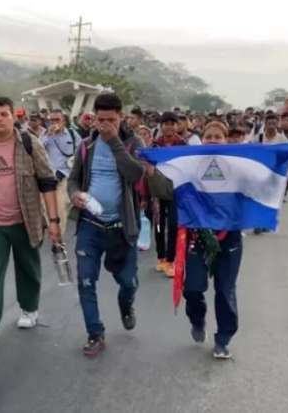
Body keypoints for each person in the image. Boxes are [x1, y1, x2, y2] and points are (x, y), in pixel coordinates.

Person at [0, 97, 61, 353]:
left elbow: (47, 182)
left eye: (3, 114)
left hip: (25, 219)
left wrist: (53, 221)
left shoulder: (30, 144)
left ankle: (29, 308)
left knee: (28, 268)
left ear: (13, 117)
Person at [145, 121, 244, 360]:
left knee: (225, 290)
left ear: (226, 140)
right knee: (192, 288)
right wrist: (151, 172)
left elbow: (260, 186)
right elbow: (167, 191)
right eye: (208, 136)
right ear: (202, 139)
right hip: (196, 237)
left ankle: (223, 340)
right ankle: (197, 320)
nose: (212, 140)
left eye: (217, 137)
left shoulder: (240, 167)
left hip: (229, 237)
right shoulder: (189, 167)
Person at [67, 93, 145, 357]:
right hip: (90, 225)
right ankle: (95, 333)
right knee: (86, 281)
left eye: (111, 120)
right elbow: (73, 180)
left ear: (120, 117)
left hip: (121, 227)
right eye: (101, 120)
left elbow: (136, 174)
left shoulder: (134, 143)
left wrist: (114, 143)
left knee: (128, 282)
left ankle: (127, 304)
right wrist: (75, 195)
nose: (105, 125)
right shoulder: (86, 145)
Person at [153, 112, 186, 277]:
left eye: (172, 123)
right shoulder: (154, 145)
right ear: (161, 126)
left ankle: (171, 260)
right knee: (159, 225)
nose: (169, 126)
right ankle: (161, 257)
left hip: (177, 191)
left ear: (177, 125)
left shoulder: (183, 145)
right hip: (158, 192)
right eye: (165, 123)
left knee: (173, 224)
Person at [40, 109, 81, 236]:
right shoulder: (45, 134)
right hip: (47, 177)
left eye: (57, 120)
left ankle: (58, 241)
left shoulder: (72, 134)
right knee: (47, 209)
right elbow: (38, 151)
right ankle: (53, 232)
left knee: (60, 209)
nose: (54, 123)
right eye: (51, 120)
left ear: (63, 120)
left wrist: (68, 172)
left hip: (64, 178)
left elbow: (79, 154)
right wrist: (48, 136)